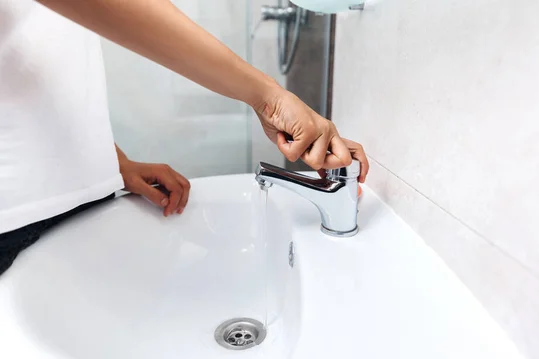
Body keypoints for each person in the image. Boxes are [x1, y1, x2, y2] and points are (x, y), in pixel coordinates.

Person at [0, 0, 369, 275]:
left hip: (67, 202)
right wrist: (269, 98)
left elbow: (29, 65)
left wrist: (112, 161)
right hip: (13, 223)